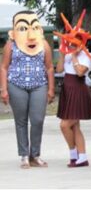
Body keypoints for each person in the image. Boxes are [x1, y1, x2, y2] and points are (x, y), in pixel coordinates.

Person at [0, 10, 55, 168]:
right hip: (16, 85)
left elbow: (50, 67)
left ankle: (35, 155)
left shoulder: (43, 44)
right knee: (21, 121)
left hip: (39, 85)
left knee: (37, 120)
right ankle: (24, 155)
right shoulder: (11, 44)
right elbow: (4, 67)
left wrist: (51, 89)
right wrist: (3, 89)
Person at [54, 10, 91, 167]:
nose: (72, 42)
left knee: (65, 125)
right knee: (74, 125)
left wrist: (76, 56)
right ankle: (81, 157)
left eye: (76, 39)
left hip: (78, 89)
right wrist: (64, 54)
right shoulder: (67, 53)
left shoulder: (87, 56)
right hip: (67, 88)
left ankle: (74, 155)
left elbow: (79, 73)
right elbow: (58, 70)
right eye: (70, 39)